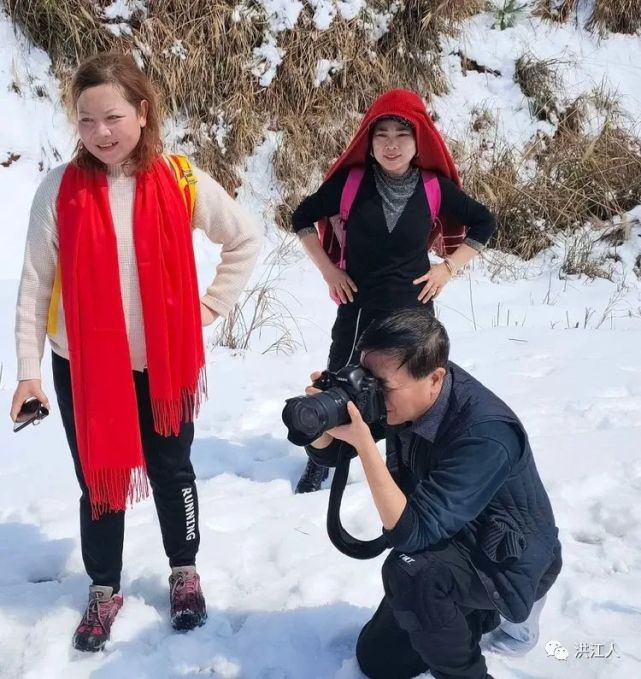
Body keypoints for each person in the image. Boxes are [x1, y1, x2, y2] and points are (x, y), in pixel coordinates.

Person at [10, 53, 262, 652]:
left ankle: (184, 571)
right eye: (86, 120)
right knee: (99, 480)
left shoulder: (181, 179)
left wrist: (203, 314)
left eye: (113, 117)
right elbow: (33, 287)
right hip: (86, 367)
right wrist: (28, 375)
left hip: (162, 364)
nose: (101, 132)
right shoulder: (59, 190)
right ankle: (103, 588)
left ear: (143, 114)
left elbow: (245, 239)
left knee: (173, 470)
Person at [303, 308, 562, 679]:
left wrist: (365, 445)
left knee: (411, 573)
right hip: (451, 531)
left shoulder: (486, 434)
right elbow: (329, 453)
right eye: (367, 379)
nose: (373, 392)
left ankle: (495, 632)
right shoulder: (403, 389)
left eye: (383, 386)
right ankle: (475, 612)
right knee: (380, 660)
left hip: (508, 557)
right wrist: (324, 418)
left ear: (435, 377)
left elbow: (411, 533)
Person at [292, 89, 497, 493]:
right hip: (358, 308)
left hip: (414, 311)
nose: (391, 144)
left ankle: (406, 467)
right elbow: (301, 217)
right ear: (367, 143)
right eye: (381, 134)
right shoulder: (350, 184)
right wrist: (329, 271)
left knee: (414, 391)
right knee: (337, 386)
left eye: (401, 135)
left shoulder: (434, 187)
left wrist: (448, 269)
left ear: (419, 141)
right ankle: (321, 461)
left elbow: (484, 222)